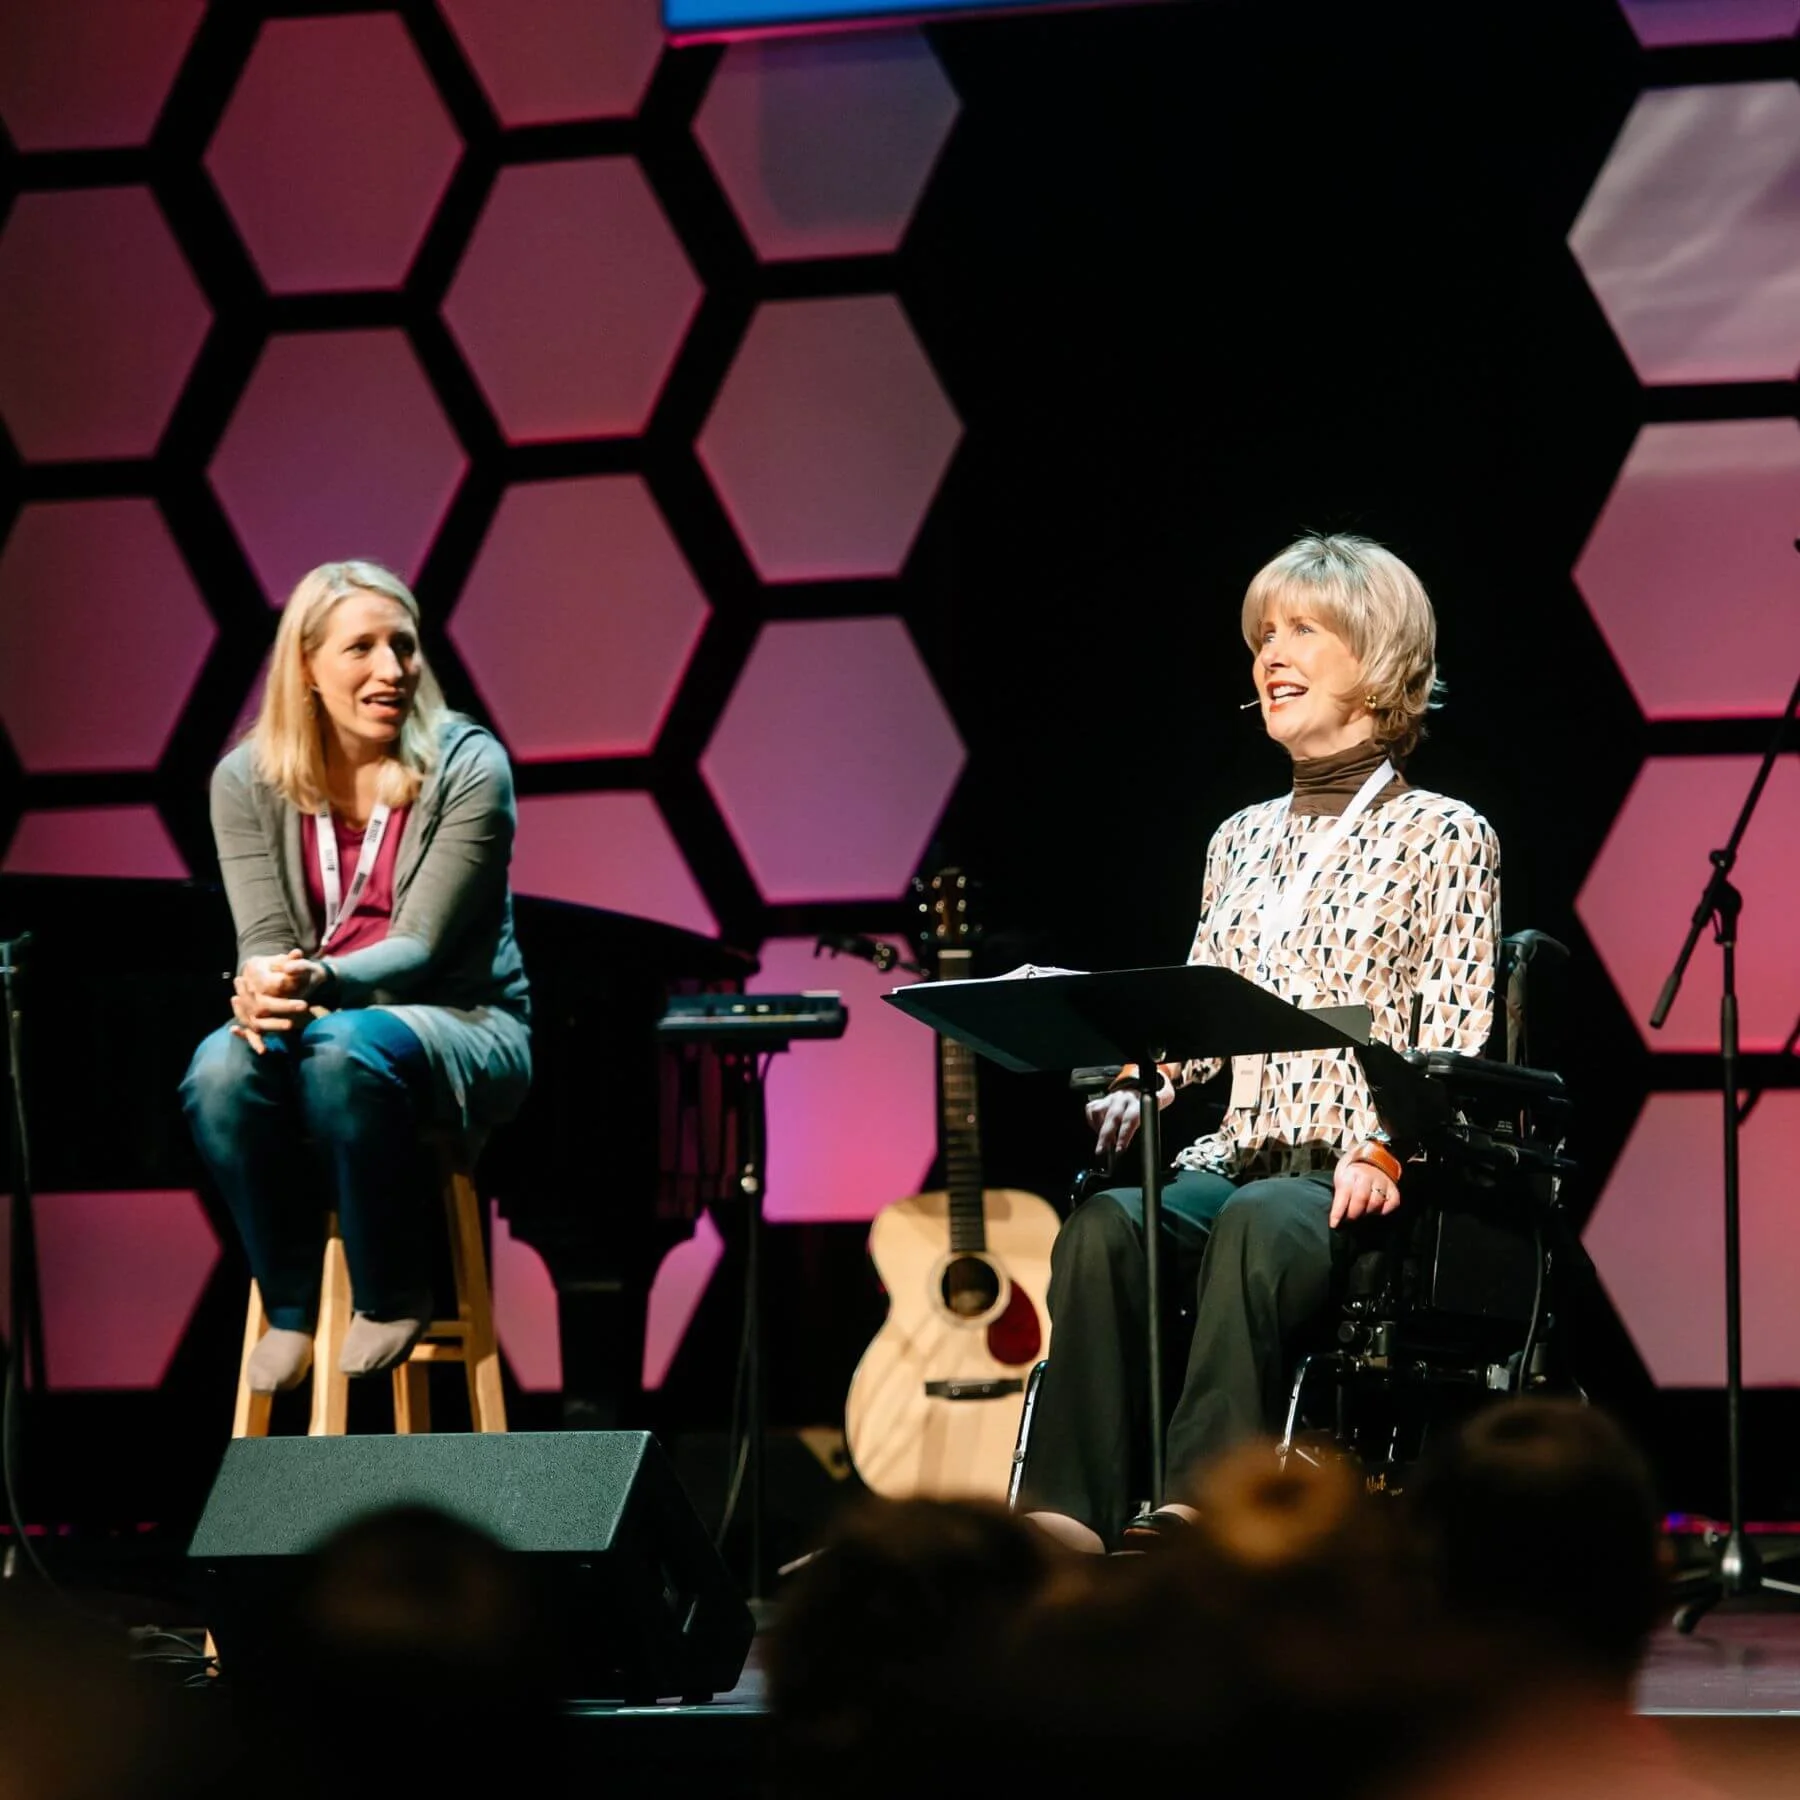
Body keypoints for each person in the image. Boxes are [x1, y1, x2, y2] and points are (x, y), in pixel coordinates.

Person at [1017, 533, 1499, 1552]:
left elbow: (1455, 1032)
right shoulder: (1237, 839)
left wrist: (1389, 1148)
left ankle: (1203, 1498)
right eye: (1263, 635)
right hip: (1235, 1156)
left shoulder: (1449, 835)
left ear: (1377, 665)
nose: (1271, 655)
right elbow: (1199, 1016)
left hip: (1350, 1172)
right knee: (1108, 1226)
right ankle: (1063, 1513)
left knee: (1259, 1225)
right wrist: (1142, 1084)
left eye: (1304, 631)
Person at [181, 559, 531, 1395]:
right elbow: (262, 935)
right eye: (361, 649)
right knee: (218, 1070)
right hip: (324, 1017)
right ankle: (291, 1302)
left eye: (403, 646)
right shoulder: (246, 779)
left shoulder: (469, 766)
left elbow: (418, 944)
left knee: (342, 1049)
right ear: (305, 666)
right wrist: (260, 984)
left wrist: (308, 983)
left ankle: (392, 1288)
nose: (392, 670)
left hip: (462, 1020)